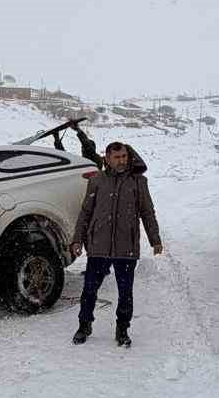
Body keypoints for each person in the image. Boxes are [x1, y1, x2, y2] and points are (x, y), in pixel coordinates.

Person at [68, 140, 163, 347]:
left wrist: (155, 240)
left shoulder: (138, 182)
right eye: (117, 157)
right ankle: (84, 325)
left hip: (126, 247)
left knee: (125, 292)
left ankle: (122, 329)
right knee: (89, 291)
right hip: (98, 246)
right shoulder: (97, 181)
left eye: (124, 157)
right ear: (107, 159)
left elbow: (147, 213)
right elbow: (86, 212)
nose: (121, 161)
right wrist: (77, 239)